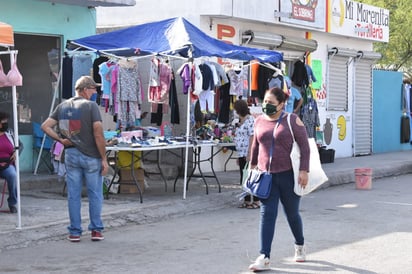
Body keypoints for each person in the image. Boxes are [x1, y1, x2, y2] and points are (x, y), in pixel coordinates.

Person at [248, 87, 310, 271]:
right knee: (267, 214)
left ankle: (300, 245)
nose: (266, 105)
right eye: (265, 102)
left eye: (271, 103)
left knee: (292, 214)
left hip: (289, 175)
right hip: (265, 176)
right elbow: (256, 146)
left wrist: (304, 170)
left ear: (282, 104)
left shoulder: (292, 120)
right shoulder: (259, 121)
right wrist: (251, 167)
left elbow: (305, 148)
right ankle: (264, 256)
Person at [41, 75, 109, 242]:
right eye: (94, 89)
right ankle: (96, 230)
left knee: (73, 195)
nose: (95, 92)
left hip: (71, 154)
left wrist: (60, 139)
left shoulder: (63, 106)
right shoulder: (91, 106)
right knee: (94, 194)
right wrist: (104, 158)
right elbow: (98, 134)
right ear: (86, 89)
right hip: (91, 156)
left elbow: (45, 126)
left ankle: (75, 232)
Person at [233, 99, 259, 209]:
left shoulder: (250, 121)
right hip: (241, 153)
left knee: (252, 177)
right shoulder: (240, 121)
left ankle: (257, 201)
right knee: (244, 178)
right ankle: (247, 200)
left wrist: (250, 153)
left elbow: (252, 137)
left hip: (249, 153)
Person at [0, 111, 22, 213]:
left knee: (13, 175)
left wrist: (16, 153)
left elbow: (20, 145)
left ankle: (12, 203)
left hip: (7, 164)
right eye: (3, 121)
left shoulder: (10, 133)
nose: (5, 123)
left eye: (6, 121)